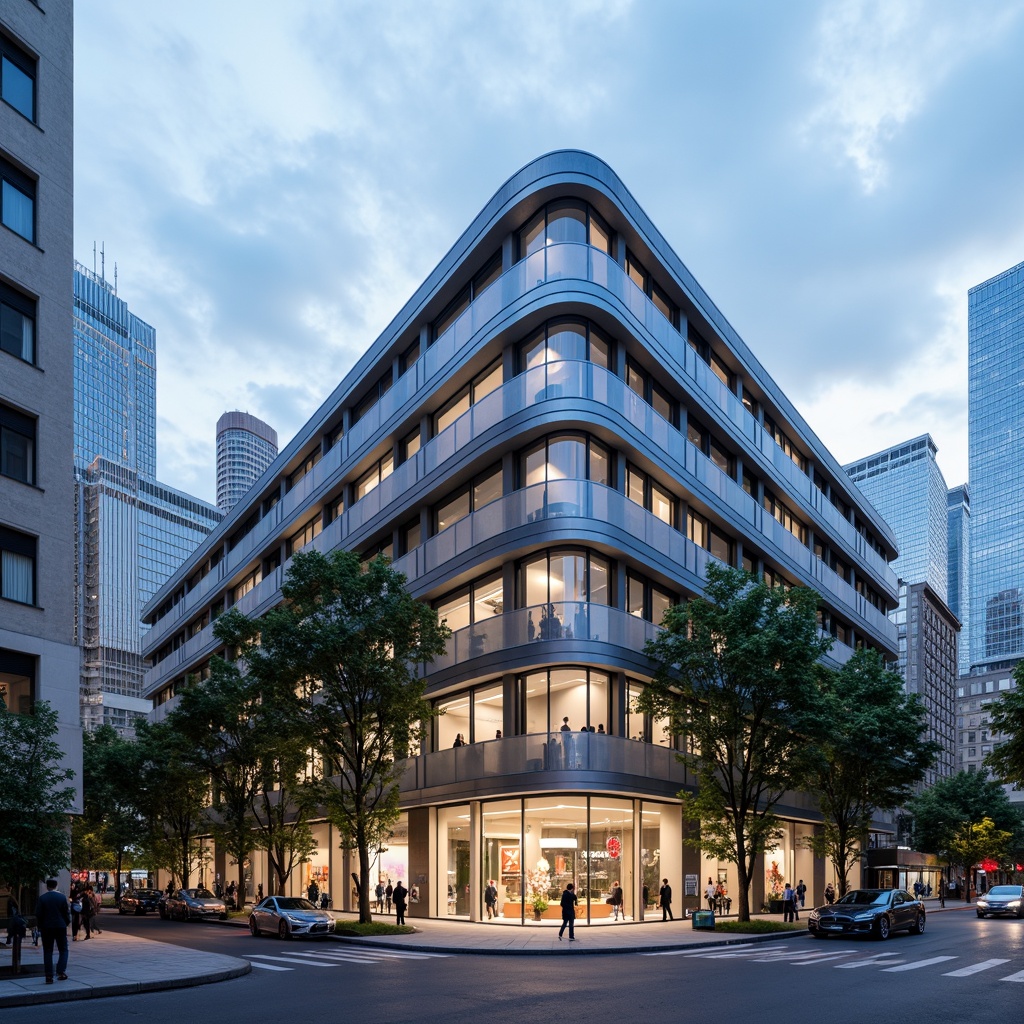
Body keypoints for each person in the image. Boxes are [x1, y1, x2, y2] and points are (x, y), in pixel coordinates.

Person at [35, 878, 71, 984]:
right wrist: (66, 923)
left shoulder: (42, 898)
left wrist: (41, 926)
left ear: (47, 886)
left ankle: (48, 976)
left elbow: (38, 914)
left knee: (48, 951)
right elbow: (66, 912)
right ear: (56, 886)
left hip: (47, 927)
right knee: (63, 950)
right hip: (60, 926)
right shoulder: (61, 897)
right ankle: (60, 971)